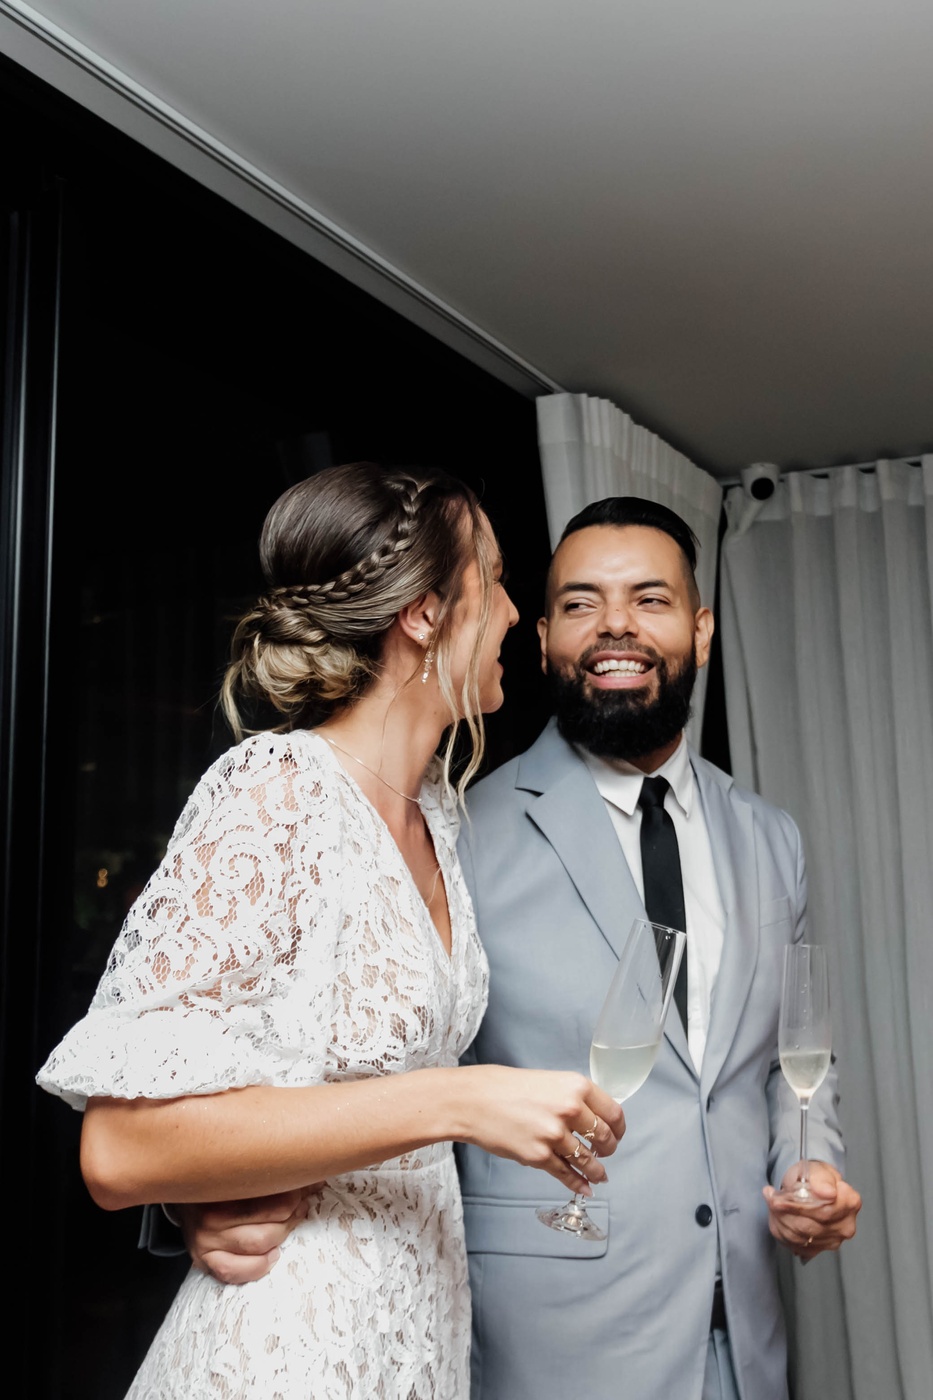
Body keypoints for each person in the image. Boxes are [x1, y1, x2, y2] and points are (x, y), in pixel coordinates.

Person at [182, 495, 862, 1400]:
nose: (614, 625)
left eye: (649, 599)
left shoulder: (771, 838)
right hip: (547, 1343)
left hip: (745, 1333)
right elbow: (345, 1060)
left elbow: (788, 1061)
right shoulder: (454, 830)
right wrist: (208, 1197)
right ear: (541, 640)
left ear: (700, 632)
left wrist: (811, 1163)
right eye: (580, 603)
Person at [36, 462, 624, 1400]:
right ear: (423, 614)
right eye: (495, 580)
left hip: (412, 1339)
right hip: (287, 1347)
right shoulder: (277, 790)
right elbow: (119, 1150)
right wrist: (458, 1099)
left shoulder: (437, 814)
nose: (515, 614)